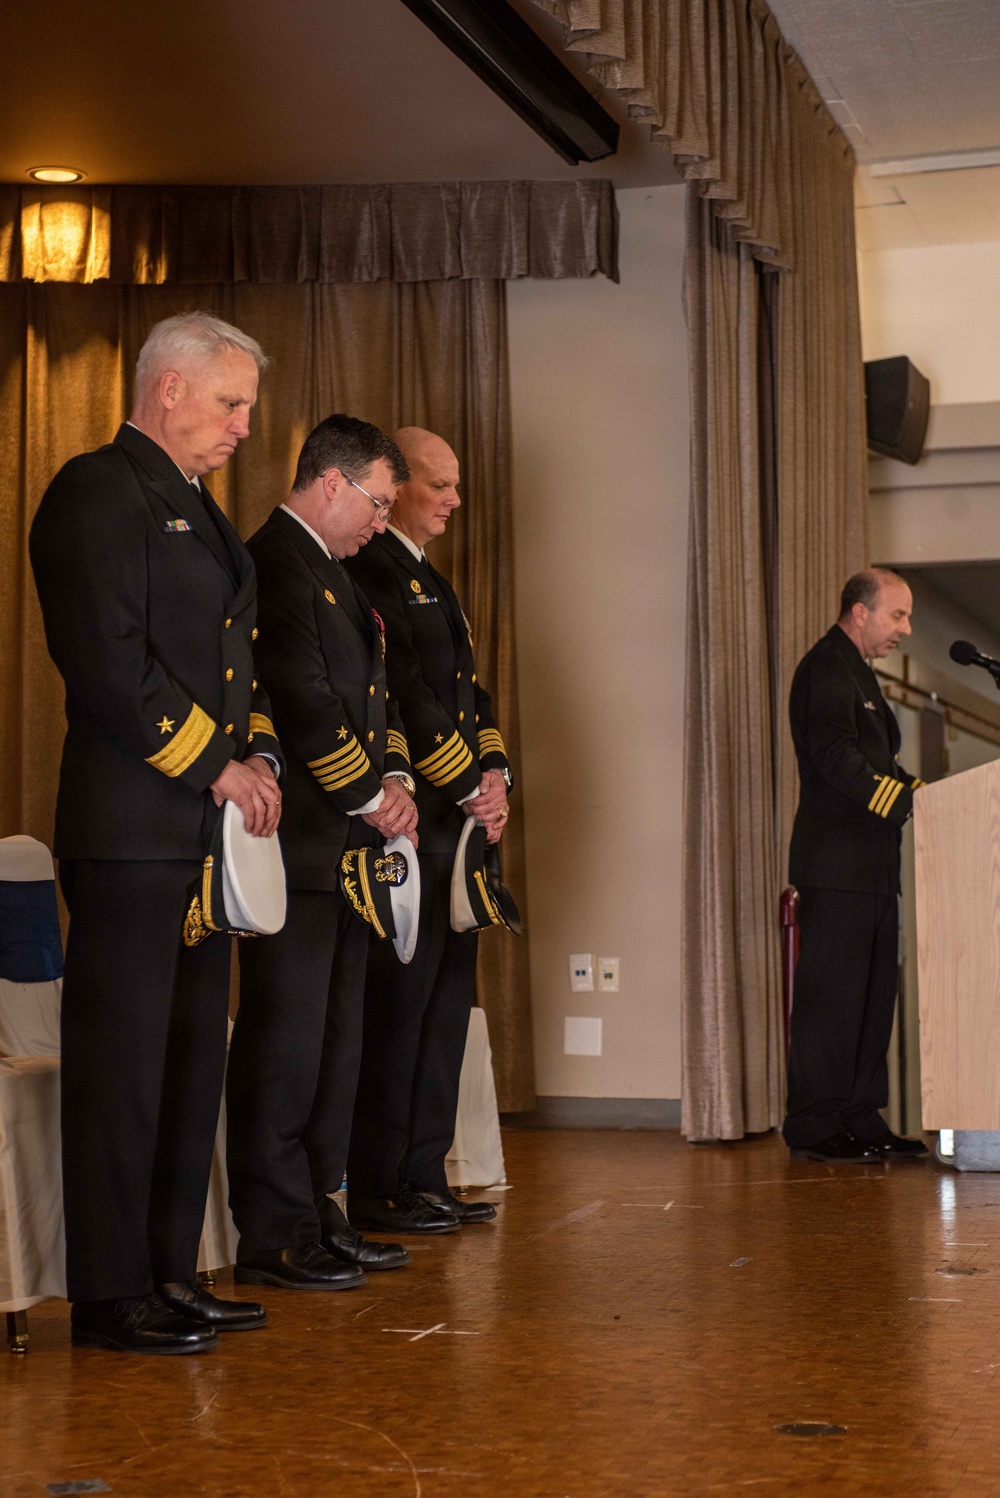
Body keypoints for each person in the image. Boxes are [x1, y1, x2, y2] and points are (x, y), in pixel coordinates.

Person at [29, 312, 283, 1354]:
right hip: (133, 829)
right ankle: (107, 1291)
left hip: (198, 836)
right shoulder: (96, 490)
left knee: (185, 1064)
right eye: (230, 405)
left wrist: (257, 755)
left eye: (249, 410)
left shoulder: (201, 511)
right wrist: (211, 764)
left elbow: (238, 671)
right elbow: (107, 663)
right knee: (122, 1067)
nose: (241, 428)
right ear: (167, 389)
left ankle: (168, 1272)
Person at [226, 415, 420, 1288]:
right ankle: (272, 1229)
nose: (383, 522)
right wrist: (371, 793)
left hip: (343, 846)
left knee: (337, 1041)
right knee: (287, 1040)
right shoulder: (277, 558)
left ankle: (319, 1208)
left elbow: (372, 702)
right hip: (301, 840)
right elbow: (300, 698)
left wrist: (396, 781)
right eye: (377, 502)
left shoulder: (338, 574)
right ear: (332, 483)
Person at [343, 426, 511, 1234]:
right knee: (400, 1004)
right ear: (396, 484)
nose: (451, 500)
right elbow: (404, 694)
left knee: (447, 1005)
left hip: (460, 825)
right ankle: (380, 1184)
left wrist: (496, 775)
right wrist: (462, 783)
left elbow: (469, 693)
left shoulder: (429, 578)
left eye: (454, 486)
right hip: (412, 824)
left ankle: (424, 1173)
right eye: (437, 485)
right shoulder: (370, 569)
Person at [783, 568, 928, 1164]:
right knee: (832, 998)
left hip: (869, 866)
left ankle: (860, 1114)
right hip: (836, 864)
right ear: (860, 611)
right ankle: (816, 1123)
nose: (906, 628)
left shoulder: (858, 671)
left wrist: (927, 793)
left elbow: (879, 764)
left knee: (871, 999)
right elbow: (837, 758)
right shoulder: (826, 668)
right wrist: (908, 801)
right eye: (898, 615)